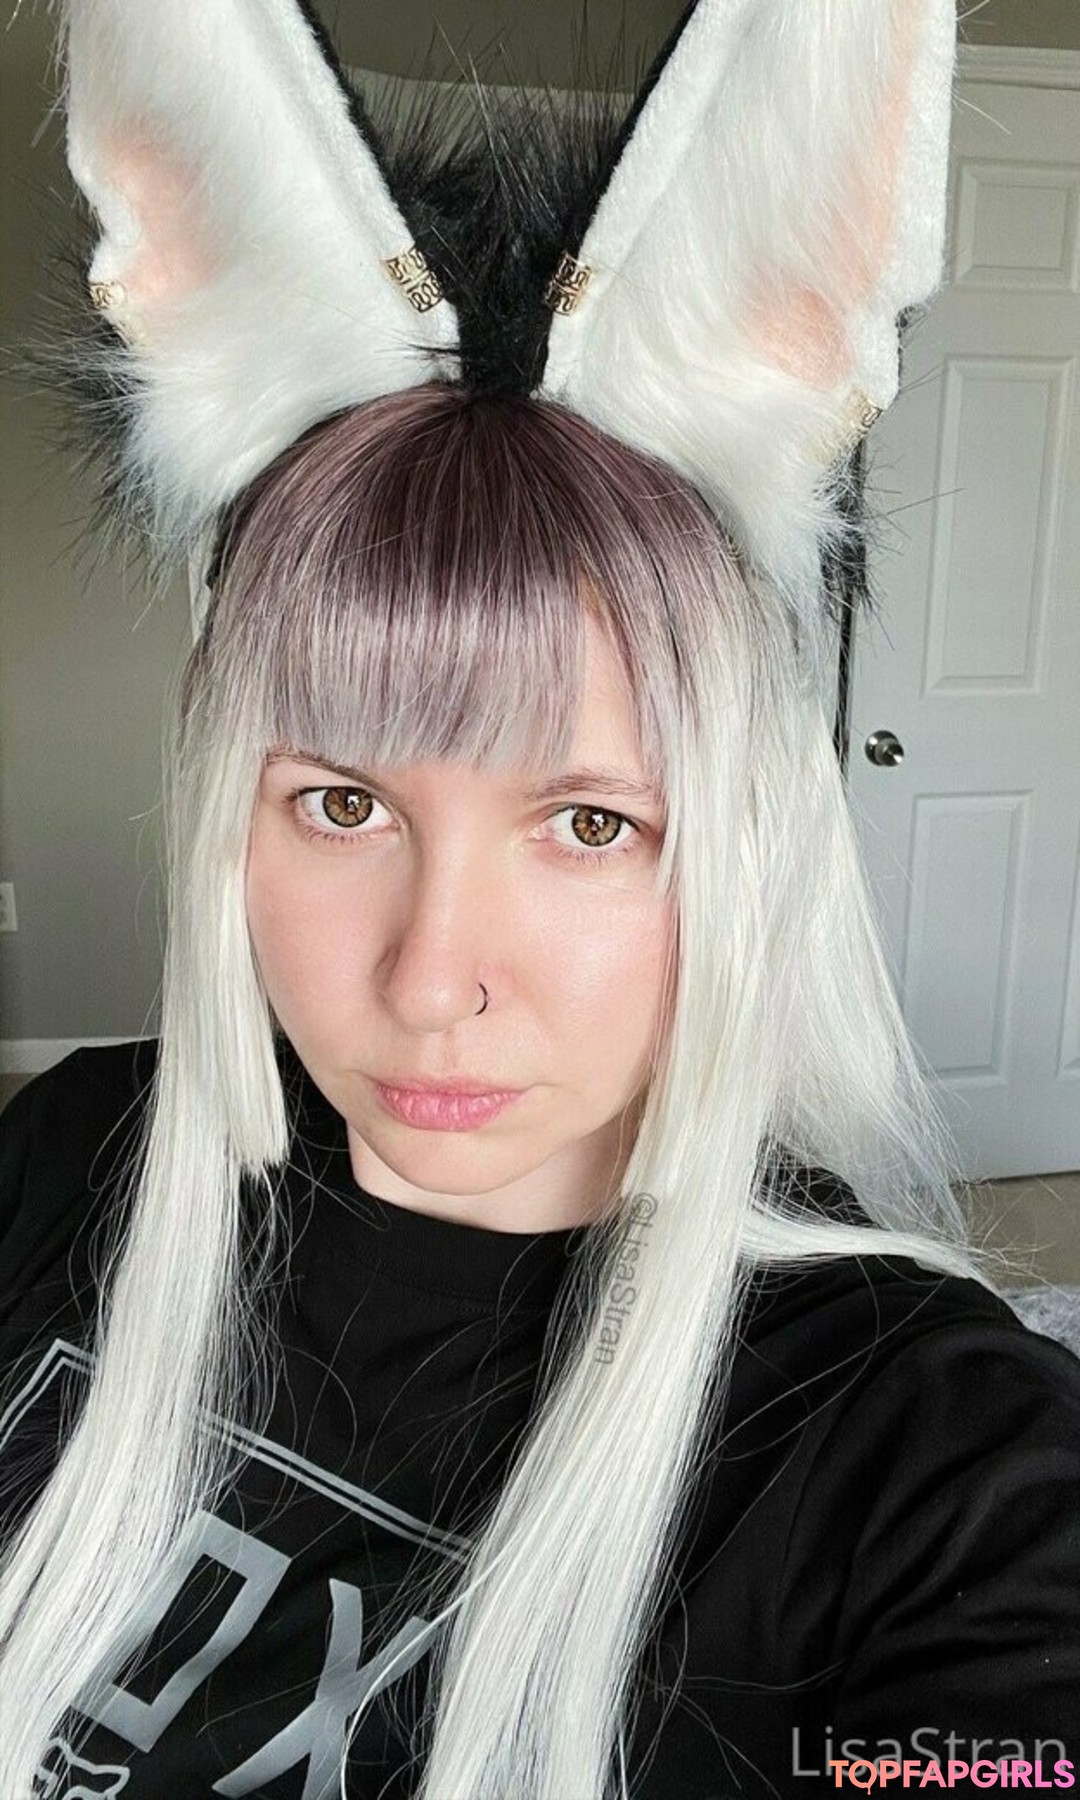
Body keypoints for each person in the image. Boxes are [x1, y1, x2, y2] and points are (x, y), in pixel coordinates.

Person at [1, 4, 1079, 1799]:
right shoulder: (77, 1149)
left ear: (740, 842)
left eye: (588, 822)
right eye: (343, 803)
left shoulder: (928, 1460)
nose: (433, 981)